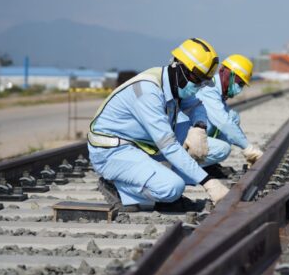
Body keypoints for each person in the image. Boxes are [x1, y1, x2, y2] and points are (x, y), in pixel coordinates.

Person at [87, 38, 229, 212]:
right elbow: (168, 146)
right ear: (178, 67)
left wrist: (199, 127)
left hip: (139, 145)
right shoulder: (148, 91)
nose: (198, 85)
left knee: (207, 152)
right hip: (112, 151)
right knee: (172, 188)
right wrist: (208, 182)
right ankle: (117, 186)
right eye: (196, 79)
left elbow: (196, 106)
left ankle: (158, 183)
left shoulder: (176, 83)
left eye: (204, 82)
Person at [187, 54, 263, 168]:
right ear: (228, 74)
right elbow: (224, 123)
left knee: (233, 116)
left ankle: (207, 165)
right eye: (240, 83)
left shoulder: (218, 91)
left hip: (196, 133)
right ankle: (186, 170)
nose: (239, 88)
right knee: (223, 149)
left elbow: (229, 121)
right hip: (186, 137)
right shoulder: (209, 89)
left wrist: (247, 146)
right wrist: (248, 148)